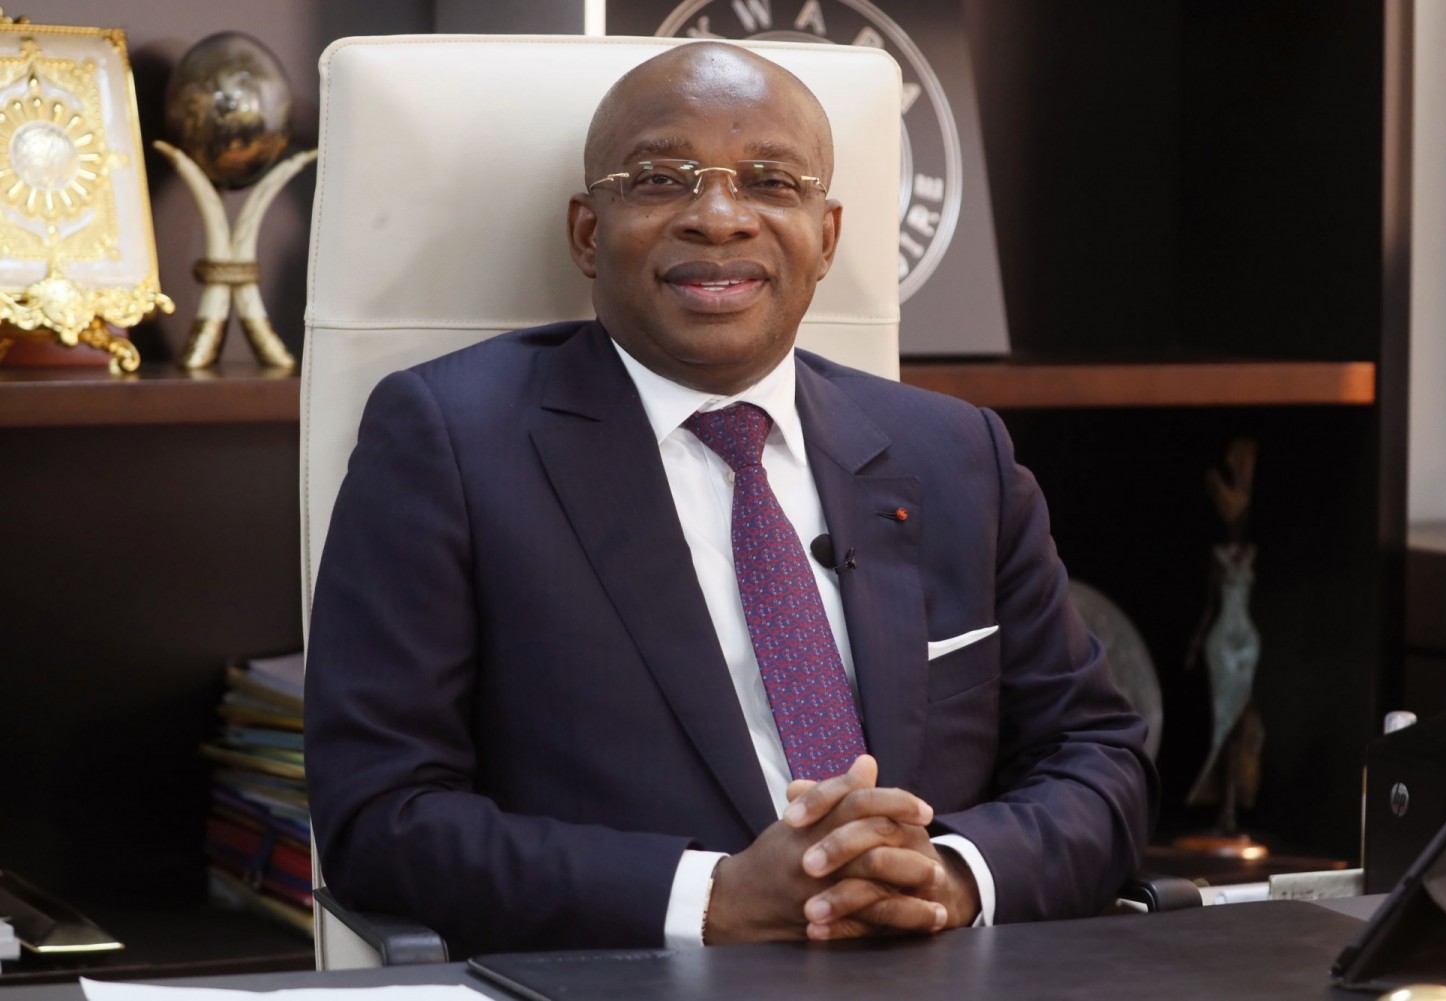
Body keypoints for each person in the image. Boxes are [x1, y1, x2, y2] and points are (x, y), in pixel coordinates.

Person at [304, 40, 1156, 959]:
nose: (719, 218)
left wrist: (951, 875)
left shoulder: (955, 453)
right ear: (588, 233)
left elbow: (1098, 755)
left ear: (827, 237)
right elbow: (381, 815)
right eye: (660, 179)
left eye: (771, 182)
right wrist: (711, 897)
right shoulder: (448, 442)